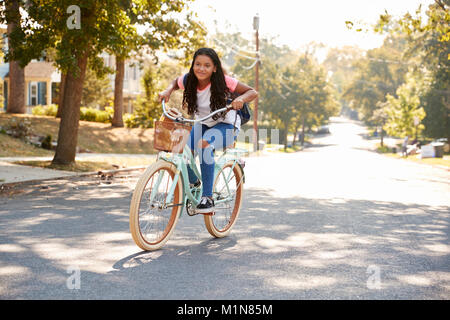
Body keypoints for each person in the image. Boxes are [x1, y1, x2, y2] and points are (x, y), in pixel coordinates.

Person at [158, 48, 258, 215]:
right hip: (203, 122)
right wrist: (167, 91)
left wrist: (240, 98)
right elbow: (176, 82)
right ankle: (194, 182)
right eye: (197, 64)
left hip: (227, 125)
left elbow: (252, 92)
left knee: (204, 145)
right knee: (182, 149)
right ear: (193, 65)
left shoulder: (225, 81)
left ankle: (207, 198)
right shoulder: (189, 79)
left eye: (207, 65)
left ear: (214, 68)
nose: (201, 69)